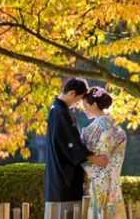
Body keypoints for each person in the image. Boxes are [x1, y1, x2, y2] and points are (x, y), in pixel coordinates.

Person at [44, 78, 110, 219]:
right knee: (66, 212)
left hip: (58, 172)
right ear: (72, 93)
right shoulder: (60, 113)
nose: (78, 104)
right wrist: (94, 158)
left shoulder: (57, 109)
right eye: (79, 99)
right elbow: (70, 142)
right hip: (64, 175)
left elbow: (70, 141)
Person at [81, 86, 128, 219]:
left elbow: (91, 155)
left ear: (94, 104)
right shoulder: (116, 128)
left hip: (97, 180)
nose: (84, 110)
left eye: (85, 105)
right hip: (112, 180)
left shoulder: (95, 128)